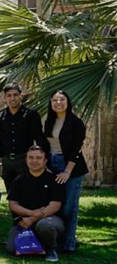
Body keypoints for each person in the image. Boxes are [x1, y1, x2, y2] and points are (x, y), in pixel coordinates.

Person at [44, 90, 88, 253]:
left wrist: (67, 172)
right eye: (55, 100)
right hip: (52, 162)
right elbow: (46, 145)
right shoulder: (49, 121)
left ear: (68, 102)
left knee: (69, 206)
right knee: (56, 203)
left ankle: (69, 244)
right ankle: (57, 239)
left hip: (71, 167)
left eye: (62, 99)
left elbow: (76, 149)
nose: (58, 103)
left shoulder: (76, 123)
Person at [7, 145, 66, 262]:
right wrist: (31, 214)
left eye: (38, 158)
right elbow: (12, 204)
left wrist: (33, 218)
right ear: (26, 160)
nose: (34, 161)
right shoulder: (19, 180)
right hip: (24, 221)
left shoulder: (55, 179)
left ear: (45, 161)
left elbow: (55, 206)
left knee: (45, 225)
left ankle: (51, 250)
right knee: (12, 249)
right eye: (31, 158)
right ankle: (37, 246)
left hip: (49, 219)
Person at [0, 82, 47, 187]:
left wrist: (41, 159)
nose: (12, 98)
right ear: (5, 98)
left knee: (27, 191)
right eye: (9, 95)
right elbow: (2, 139)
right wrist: (1, 161)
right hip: (7, 161)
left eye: (15, 95)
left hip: (24, 160)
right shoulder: (2, 117)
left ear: (21, 96)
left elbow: (39, 138)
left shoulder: (31, 115)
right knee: (11, 192)